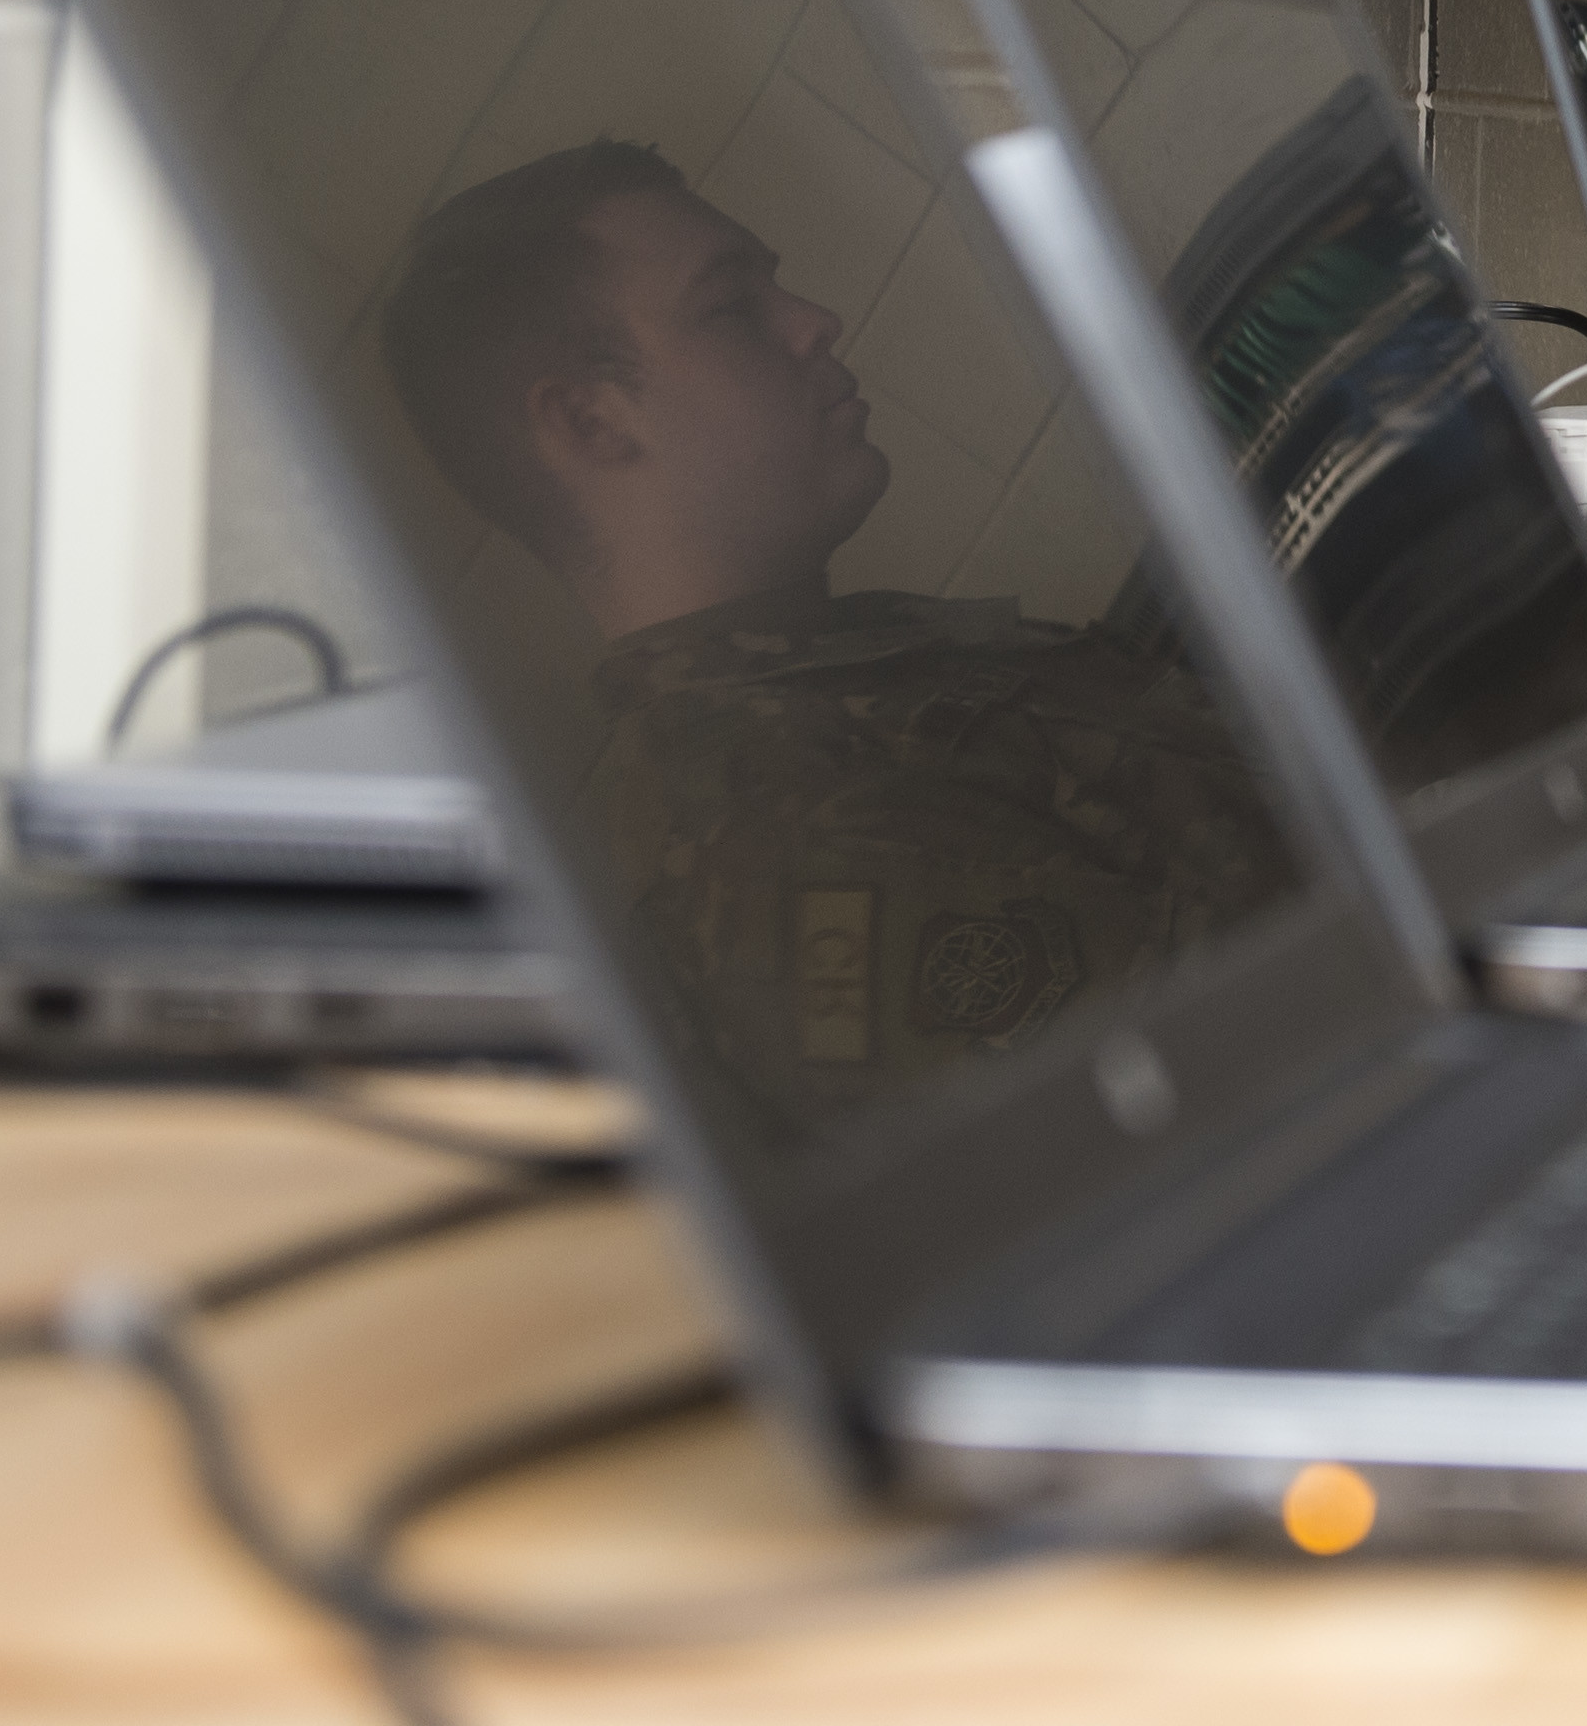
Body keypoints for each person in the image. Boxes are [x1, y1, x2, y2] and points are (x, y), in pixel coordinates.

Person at [381, 139, 1293, 1130]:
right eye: (731, 307)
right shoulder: (790, 838)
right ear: (594, 424)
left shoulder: (847, 671)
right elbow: (1236, 1126)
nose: (814, 322)